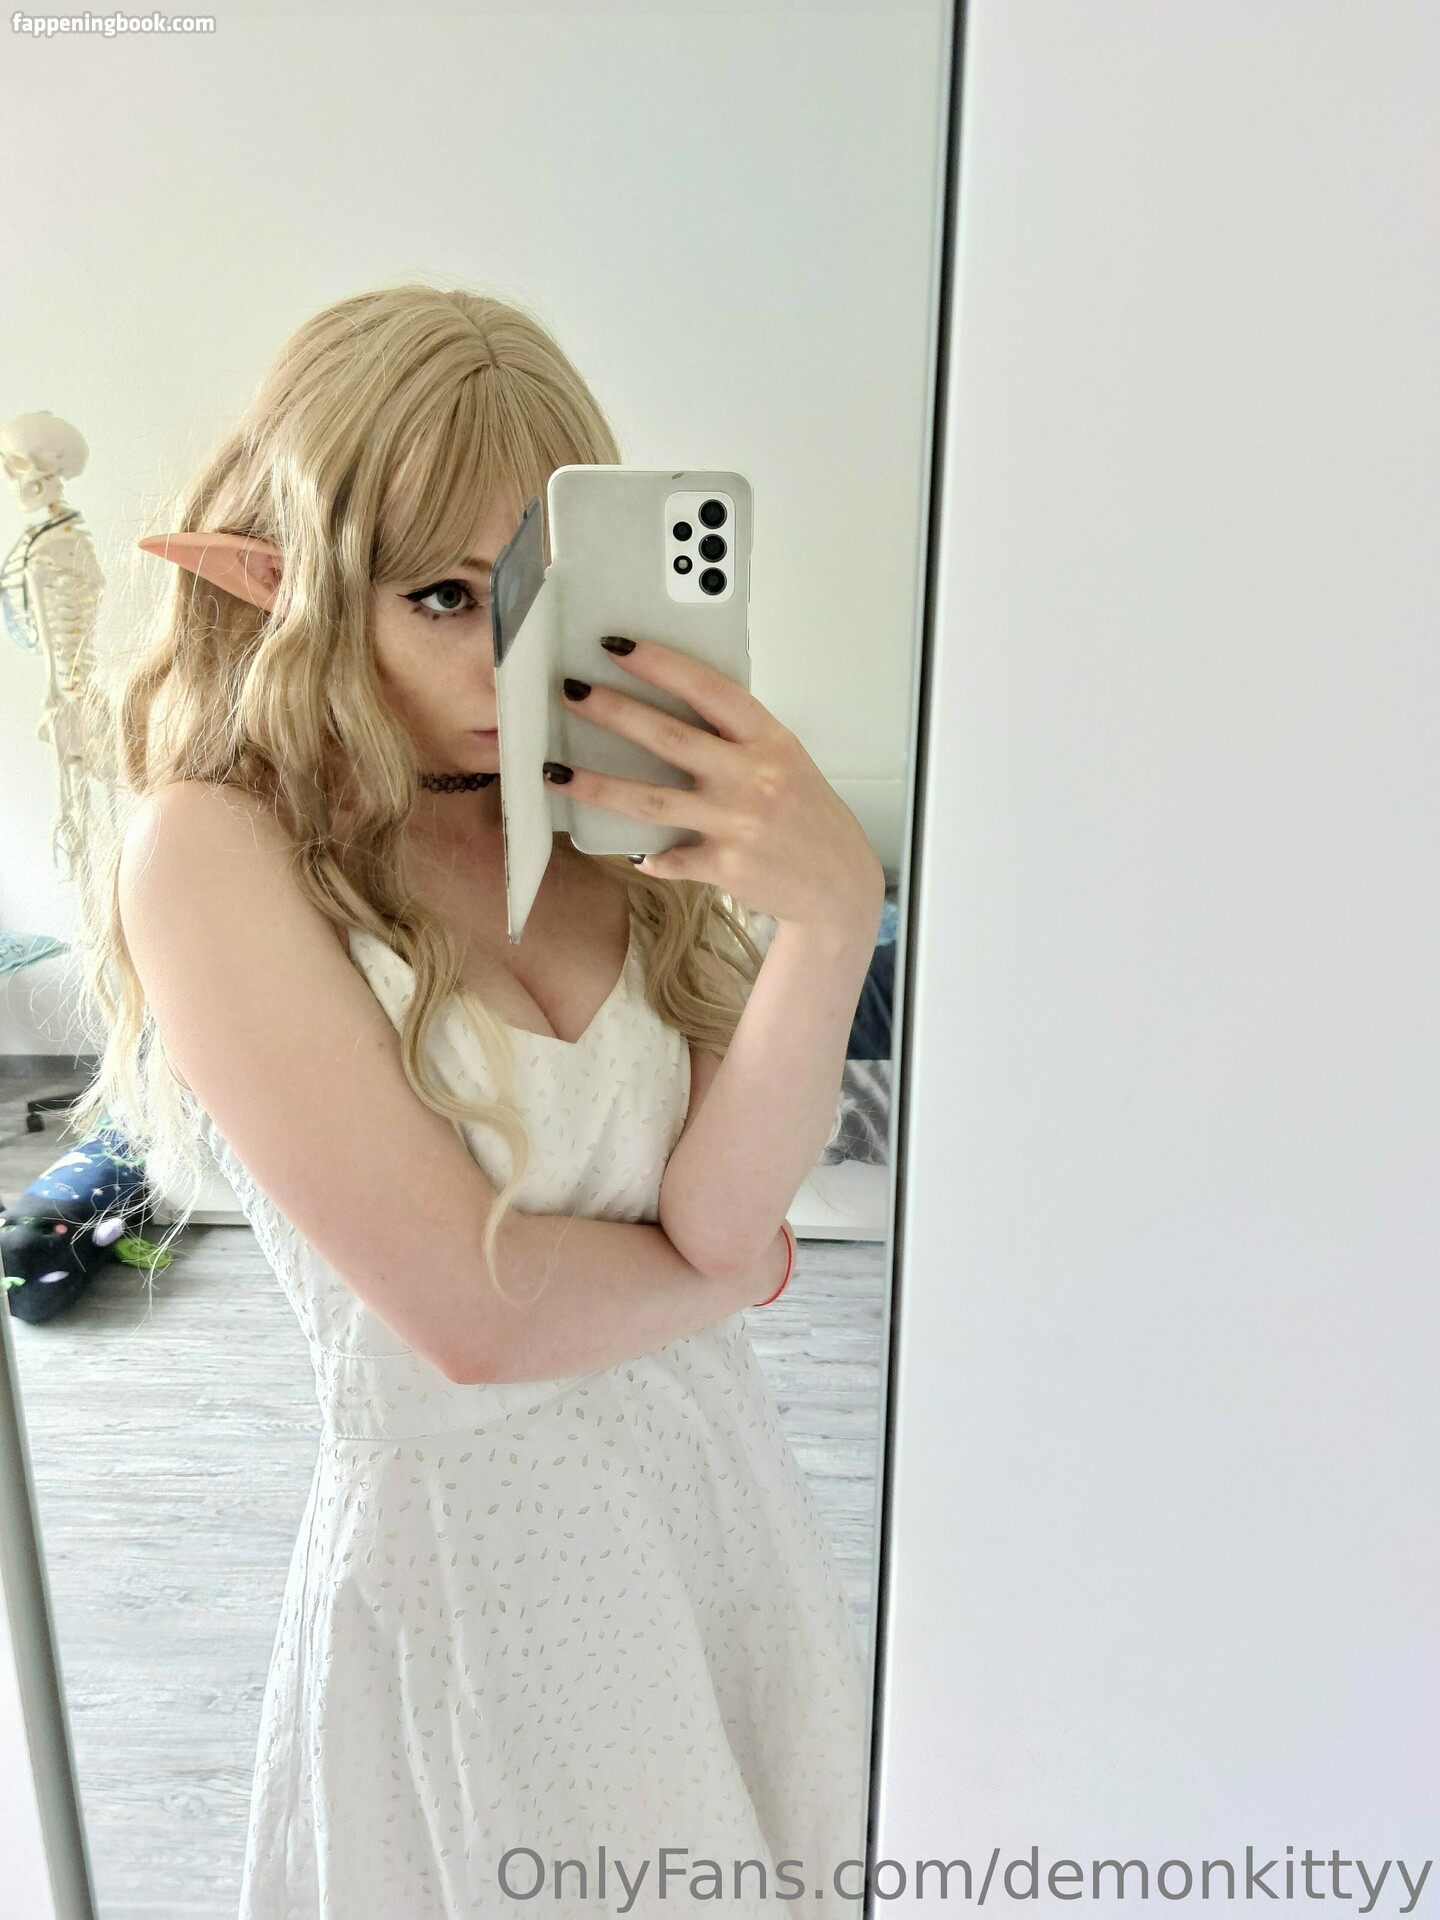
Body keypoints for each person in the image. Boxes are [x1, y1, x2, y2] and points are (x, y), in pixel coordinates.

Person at [71, 284, 886, 1918]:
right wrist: (731, 1278)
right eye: (442, 594)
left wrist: (830, 918)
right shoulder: (215, 849)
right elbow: (473, 1317)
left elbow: (724, 1212)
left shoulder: (607, 816)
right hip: (474, 1573)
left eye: (538, 589)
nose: (509, 653)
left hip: (711, 1512)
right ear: (290, 583)